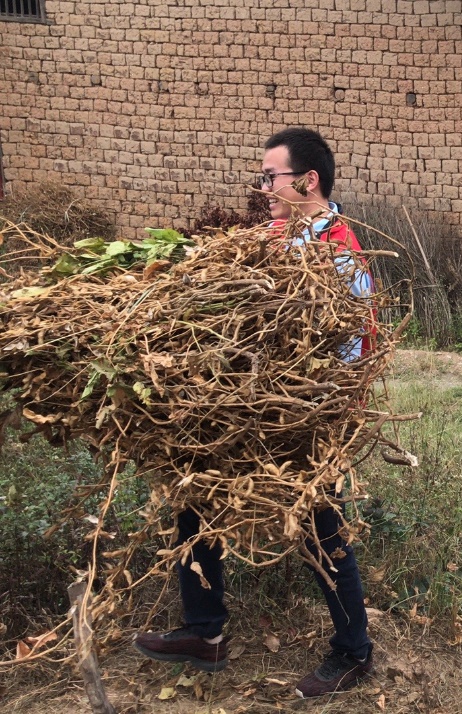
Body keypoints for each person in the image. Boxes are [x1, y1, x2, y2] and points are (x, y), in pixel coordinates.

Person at [134, 128, 376, 698]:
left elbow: (352, 348)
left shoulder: (339, 250)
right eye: (263, 178)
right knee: (196, 491)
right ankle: (204, 631)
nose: (264, 187)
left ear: (308, 181)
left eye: (272, 177)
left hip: (304, 416)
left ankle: (354, 652)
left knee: (323, 526)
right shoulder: (267, 238)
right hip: (245, 404)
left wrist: (311, 409)